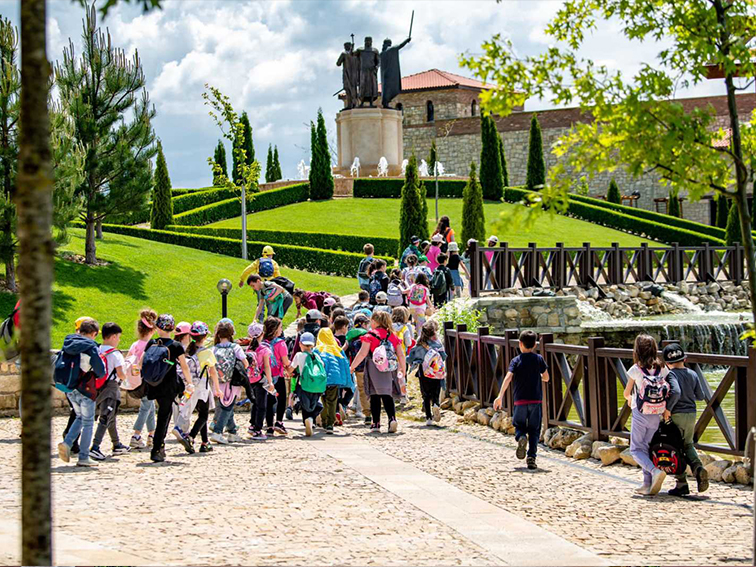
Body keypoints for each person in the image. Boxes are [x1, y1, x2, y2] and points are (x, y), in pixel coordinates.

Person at [493, 330, 550, 470]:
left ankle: (521, 437)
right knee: (535, 430)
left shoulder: (516, 360)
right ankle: (531, 457)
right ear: (535, 345)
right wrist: (541, 378)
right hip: (536, 401)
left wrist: (500, 396)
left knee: (519, 425)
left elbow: (508, 377)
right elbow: (546, 377)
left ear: (520, 344)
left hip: (520, 401)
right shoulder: (539, 359)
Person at [623, 334, 669, 496]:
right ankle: (647, 484)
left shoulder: (635, 369)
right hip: (657, 414)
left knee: (636, 449)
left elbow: (626, 393)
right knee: (648, 448)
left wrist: (630, 399)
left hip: (640, 413)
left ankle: (654, 471)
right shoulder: (662, 368)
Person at [56, 319, 105, 467]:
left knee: (79, 416)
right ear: (94, 333)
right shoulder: (90, 347)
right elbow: (100, 371)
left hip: (70, 388)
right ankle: (83, 457)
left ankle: (67, 442)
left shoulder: (69, 342)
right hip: (85, 389)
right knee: (88, 422)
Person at [144, 314, 193, 463]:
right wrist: (190, 383)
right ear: (172, 329)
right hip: (168, 385)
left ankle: (160, 445)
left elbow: (141, 362)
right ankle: (157, 448)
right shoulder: (175, 346)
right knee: (164, 416)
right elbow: (184, 366)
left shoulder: (151, 343)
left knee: (161, 413)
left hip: (153, 383)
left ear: (157, 327)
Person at [662, 343, 709, 496]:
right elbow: (701, 396)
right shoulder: (692, 374)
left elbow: (675, 392)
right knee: (688, 444)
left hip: (677, 415)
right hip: (691, 414)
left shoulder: (671, 375)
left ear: (667, 363)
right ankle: (698, 468)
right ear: (685, 358)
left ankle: (681, 483)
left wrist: (668, 408)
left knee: (675, 447)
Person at [349, 311, 406, 434]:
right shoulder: (392, 335)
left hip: (373, 367)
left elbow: (363, 353)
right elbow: (400, 354)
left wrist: (352, 367)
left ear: (376, 321)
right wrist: (403, 369)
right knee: (387, 394)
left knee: (374, 394)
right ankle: (392, 418)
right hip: (389, 368)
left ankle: (376, 423)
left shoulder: (370, 336)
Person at [89, 322, 131, 461]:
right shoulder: (115, 354)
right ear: (113, 337)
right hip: (111, 388)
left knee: (110, 416)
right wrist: (126, 378)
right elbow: (120, 373)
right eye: (118, 337)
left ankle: (117, 444)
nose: (118, 340)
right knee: (106, 417)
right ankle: (95, 447)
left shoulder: (97, 349)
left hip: (97, 387)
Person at [184, 321, 222, 453]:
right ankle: (191, 436)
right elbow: (213, 372)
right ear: (205, 336)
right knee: (204, 416)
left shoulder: (188, 351)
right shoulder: (207, 353)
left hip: (190, 386)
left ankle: (205, 442)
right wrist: (217, 389)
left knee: (201, 414)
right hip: (202, 387)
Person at [209, 319, 248, 445]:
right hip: (232, 382)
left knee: (225, 406)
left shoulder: (213, 349)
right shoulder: (235, 347)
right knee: (228, 407)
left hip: (218, 382)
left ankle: (232, 432)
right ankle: (218, 431)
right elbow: (245, 362)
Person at [128, 309, 158, 449]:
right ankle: (136, 434)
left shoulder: (135, 345)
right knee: (146, 407)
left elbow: (128, 361)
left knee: (150, 407)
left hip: (137, 381)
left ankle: (152, 434)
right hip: (148, 380)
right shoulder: (151, 345)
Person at [407, 320, 447, 426]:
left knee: (425, 394)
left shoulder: (420, 344)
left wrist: (409, 362)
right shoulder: (438, 344)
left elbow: (411, 357)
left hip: (423, 373)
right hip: (436, 372)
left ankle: (428, 418)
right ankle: (436, 404)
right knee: (435, 392)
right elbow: (443, 356)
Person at [316, 327, 353, 434]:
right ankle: (330, 424)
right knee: (332, 401)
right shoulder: (338, 350)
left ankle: (324, 421)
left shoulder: (317, 349)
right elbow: (345, 366)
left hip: (321, 380)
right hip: (334, 380)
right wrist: (346, 381)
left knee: (323, 400)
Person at [290, 332, 326, 437]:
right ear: (313, 345)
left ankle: (308, 420)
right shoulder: (317, 357)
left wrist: (287, 369)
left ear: (300, 344)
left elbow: (291, 369)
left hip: (304, 385)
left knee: (305, 406)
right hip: (317, 386)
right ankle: (312, 419)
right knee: (315, 404)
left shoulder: (299, 355)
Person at [261, 316, 293, 435]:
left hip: (266, 377)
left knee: (269, 401)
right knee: (281, 398)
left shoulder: (262, 343)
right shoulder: (281, 343)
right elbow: (285, 362)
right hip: (278, 376)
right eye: (280, 327)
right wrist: (291, 368)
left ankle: (269, 425)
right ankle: (279, 422)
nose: (281, 329)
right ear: (275, 330)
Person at [246, 322, 274, 441]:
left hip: (251, 380)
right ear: (262, 334)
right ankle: (258, 429)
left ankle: (252, 425)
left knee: (255, 403)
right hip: (261, 380)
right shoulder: (264, 349)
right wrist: (270, 381)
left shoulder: (248, 349)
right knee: (262, 406)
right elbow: (267, 366)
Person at [239, 245, 282, 322]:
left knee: (260, 303)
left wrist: (242, 280)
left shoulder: (258, 261)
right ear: (271, 254)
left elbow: (247, 270)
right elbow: (278, 277)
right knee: (270, 304)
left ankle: (260, 320)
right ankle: (270, 319)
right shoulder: (274, 263)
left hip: (259, 285)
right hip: (270, 286)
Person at [346, 313, 371, 424]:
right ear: (363, 324)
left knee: (362, 391)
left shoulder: (350, 336)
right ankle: (375, 413)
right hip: (370, 367)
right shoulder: (368, 335)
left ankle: (368, 415)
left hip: (358, 368)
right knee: (372, 390)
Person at [332, 315, 353, 425]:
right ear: (344, 326)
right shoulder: (347, 340)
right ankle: (343, 405)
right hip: (345, 368)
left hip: (333, 368)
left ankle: (337, 410)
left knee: (336, 391)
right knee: (350, 389)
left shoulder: (331, 339)